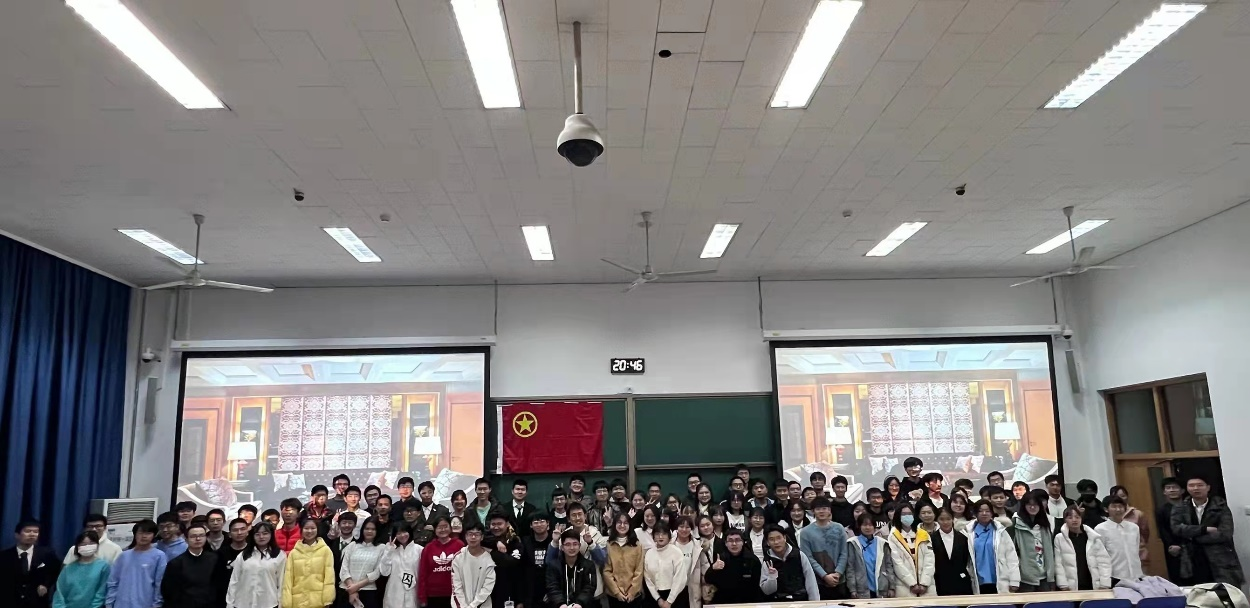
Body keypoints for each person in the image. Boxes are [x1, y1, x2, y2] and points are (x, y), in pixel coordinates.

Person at [1171, 474, 1244, 588]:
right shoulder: (1180, 507)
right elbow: (1176, 528)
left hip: (1220, 557)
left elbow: (1225, 533)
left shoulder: (1220, 506)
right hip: (1192, 558)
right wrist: (1204, 529)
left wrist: (1193, 537)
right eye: (1191, 485)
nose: (1195, 488)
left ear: (1208, 487)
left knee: (1225, 590)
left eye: (1200, 485)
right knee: (1199, 592)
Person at [106, 520, 166, 608]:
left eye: (148, 533)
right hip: (121, 603)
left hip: (146, 603)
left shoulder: (159, 556)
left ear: (154, 535)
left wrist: (157, 604)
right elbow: (113, 581)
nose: (144, 536)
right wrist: (109, 602)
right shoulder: (124, 555)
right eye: (141, 532)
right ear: (135, 534)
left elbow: (159, 583)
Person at [225, 521, 285, 608]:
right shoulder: (243, 555)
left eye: (265, 533)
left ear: (271, 535)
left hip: (268, 603)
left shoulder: (279, 555)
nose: (261, 537)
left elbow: (281, 582)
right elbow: (234, 580)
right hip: (243, 603)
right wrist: (230, 603)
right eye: (257, 534)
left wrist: (281, 602)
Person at [798, 496, 848, 600]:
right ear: (813, 511)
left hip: (839, 580)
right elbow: (808, 557)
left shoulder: (839, 528)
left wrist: (838, 573)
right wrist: (824, 576)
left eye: (824, 508)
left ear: (829, 510)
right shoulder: (805, 532)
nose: (821, 511)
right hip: (818, 581)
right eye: (818, 509)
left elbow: (844, 552)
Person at [966, 499, 1019, 594]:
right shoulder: (968, 532)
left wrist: (1014, 580)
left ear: (992, 513)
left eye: (987, 511)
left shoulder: (1001, 531)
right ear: (975, 513)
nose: (984, 513)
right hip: (977, 580)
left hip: (1000, 578)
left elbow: (1011, 556)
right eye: (980, 511)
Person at [282, 516, 336, 609]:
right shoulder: (294, 553)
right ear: (301, 530)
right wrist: (287, 602)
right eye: (306, 528)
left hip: (319, 601)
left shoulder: (325, 551)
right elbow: (288, 578)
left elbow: (329, 577)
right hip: (298, 601)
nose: (309, 531)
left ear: (317, 530)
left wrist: (328, 598)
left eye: (313, 528)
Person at [160, 521, 218, 608]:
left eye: (201, 535)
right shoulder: (176, 563)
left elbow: (218, 586)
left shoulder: (214, 559)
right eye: (193, 536)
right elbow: (169, 592)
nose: (198, 539)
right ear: (186, 540)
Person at [1054, 506, 1112, 591]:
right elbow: (1059, 564)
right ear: (1065, 520)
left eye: (1077, 517)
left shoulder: (1092, 537)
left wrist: (1104, 583)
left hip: (1093, 584)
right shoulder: (1059, 538)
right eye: (1070, 517)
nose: (1074, 520)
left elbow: (1104, 562)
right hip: (1071, 586)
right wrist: (1063, 585)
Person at [885, 502, 934, 598]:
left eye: (909, 514)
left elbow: (930, 560)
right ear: (898, 516)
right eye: (903, 514)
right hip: (904, 586)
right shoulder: (893, 536)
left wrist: (924, 583)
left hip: (926, 586)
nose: (907, 516)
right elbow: (897, 562)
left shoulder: (923, 534)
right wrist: (912, 583)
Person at [1010, 489, 1056, 592]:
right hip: (1024, 577)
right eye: (1029, 505)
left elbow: (1049, 551)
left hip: (1045, 576)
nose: (1032, 507)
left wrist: (1051, 576)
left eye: (1035, 504)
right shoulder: (1015, 524)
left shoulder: (1045, 524)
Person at [761, 524, 819, 601]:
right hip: (779, 602)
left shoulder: (799, 555)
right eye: (772, 539)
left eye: (779, 538)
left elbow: (811, 581)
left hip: (800, 600)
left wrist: (814, 603)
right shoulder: (767, 561)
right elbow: (767, 591)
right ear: (768, 542)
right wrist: (772, 578)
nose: (776, 542)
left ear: (784, 538)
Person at [417, 516, 465, 608]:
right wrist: (422, 596)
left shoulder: (459, 545)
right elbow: (423, 573)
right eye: (439, 527)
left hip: (455, 593)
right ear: (435, 530)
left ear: (450, 528)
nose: (443, 530)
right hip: (433, 595)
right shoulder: (428, 548)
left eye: (445, 526)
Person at [52, 531, 109, 608]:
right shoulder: (68, 569)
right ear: (77, 547)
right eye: (83, 544)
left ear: (97, 545)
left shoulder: (103, 567)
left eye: (91, 543)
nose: (87, 546)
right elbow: (59, 594)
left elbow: (101, 593)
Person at [845, 513, 895, 599]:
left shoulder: (882, 543)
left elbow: (889, 566)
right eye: (864, 525)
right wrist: (852, 589)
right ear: (859, 526)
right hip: (861, 589)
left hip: (882, 587)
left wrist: (892, 587)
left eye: (870, 525)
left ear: (874, 527)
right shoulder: (853, 543)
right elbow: (850, 568)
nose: (867, 527)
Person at [1095, 497, 1142, 585]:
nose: (1118, 509)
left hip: (1136, 574)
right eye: (1114, 506)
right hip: (1115, 576)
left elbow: (1136, 549)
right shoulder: (1100, 529)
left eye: (1120, 506)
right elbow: (1100, 556)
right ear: (1106, 509)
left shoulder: (1134, 527)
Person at [341, 518, 388, 608]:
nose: (369, 531)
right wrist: (352, 589)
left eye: (373, 529)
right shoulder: (352, 545)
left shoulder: (381, 548)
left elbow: (377, 572)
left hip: (368, 592)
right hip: (347, 590)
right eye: (367, 528)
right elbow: (344, 568)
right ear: (362, 530)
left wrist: (356, 587)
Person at [546, 529, 597, 608]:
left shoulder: (588, 565)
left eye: (575, 544)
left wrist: (579, 603)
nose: (572, 548)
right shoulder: (553, 565)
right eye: (568, 544)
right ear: (562, 547)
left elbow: (589, 587)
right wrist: (560, 603)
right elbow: (552, 587)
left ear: (579, 546)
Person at [930, 508, 976, 596]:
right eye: (941, 519)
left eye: (948, 519)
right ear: (937, 520)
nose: (945, 522)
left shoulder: (963, 538)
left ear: (953, 519)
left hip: (961, 581)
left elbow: (965, 559)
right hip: (940, 582)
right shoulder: (932, 539)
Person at [603, 513, 644, 608]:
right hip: (614, 596)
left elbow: (639, 570)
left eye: (625, 523)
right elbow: (606, 571)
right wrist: (617, 592)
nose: (622, 525)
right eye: (619, 522)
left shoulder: (637, 545)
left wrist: (632, 592)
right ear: (614, 524)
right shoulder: (609, 544)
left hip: (634, 596)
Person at [451, 522, 495, 608]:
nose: (473, 537)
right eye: (470, 534)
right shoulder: (458, 557)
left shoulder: (489, 559)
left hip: (483, 605)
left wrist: (472, 606)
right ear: (465, 536)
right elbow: (456, 586)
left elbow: (487, 588)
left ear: (482, 537)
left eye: (477, 534)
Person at [643, 524, 688, 608]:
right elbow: (648, 579)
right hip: (655, 597)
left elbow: (680, 578)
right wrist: (658, 598)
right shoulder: (649, 553)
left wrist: (669, 601)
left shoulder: (676, 552)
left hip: (675, 596)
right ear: (653, 537)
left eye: (664, 534)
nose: (660, 537)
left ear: (669, 536)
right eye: (657, 534)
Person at [379, 524, 423, 609]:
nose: (402, 535)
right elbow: (384, 572)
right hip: (394, 592)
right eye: (398, 533)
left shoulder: (420, 550)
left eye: (404, 532)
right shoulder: (392, 550)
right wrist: (389, 551)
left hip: (413, 592)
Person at [484, 512, 522, 608]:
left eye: (499, 524)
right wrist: (496, 542)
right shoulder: (484, 540)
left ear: (507, 524)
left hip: (509, 590)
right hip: (487, 591)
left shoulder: (515, 541)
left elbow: (511, 562)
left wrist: (491, 552)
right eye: (493, 524)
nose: (496, 527)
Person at [1106, 485, 1150, 564]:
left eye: (1123, 496)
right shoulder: (1108, 516)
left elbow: (1145, 533)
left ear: (1127, 497)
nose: (1120, 499)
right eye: (1116, 496)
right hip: (1118, 559)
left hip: (1139, 555)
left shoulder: (1137, 514)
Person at [520, 513, 554, 607]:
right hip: (530, 590)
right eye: (535, 522)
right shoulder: (525, 542)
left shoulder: (554, 541)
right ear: (531, 525)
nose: (539, 525)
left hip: (550, 589)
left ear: (548, 523)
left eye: (542, 521)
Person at [1155, 477, 1185, 583]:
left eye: (1175, 487)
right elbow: (1163, 530)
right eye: (1168, 488)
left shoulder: (1189, 506)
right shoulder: (1162, 510)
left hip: (1191, 546)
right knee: (1177, 577)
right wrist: (1171, 545)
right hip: (1173, 548)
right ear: (1164, 492)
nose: (1172, 490)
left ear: (1182, 490)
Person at [215, 517, 250, 605]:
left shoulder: (253, 552)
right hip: (225, 597)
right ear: (229, 534)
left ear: (247, 532)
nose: (239, 532)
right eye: (235, 530)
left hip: (249, 596)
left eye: (242, 529)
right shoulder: (220, 553)